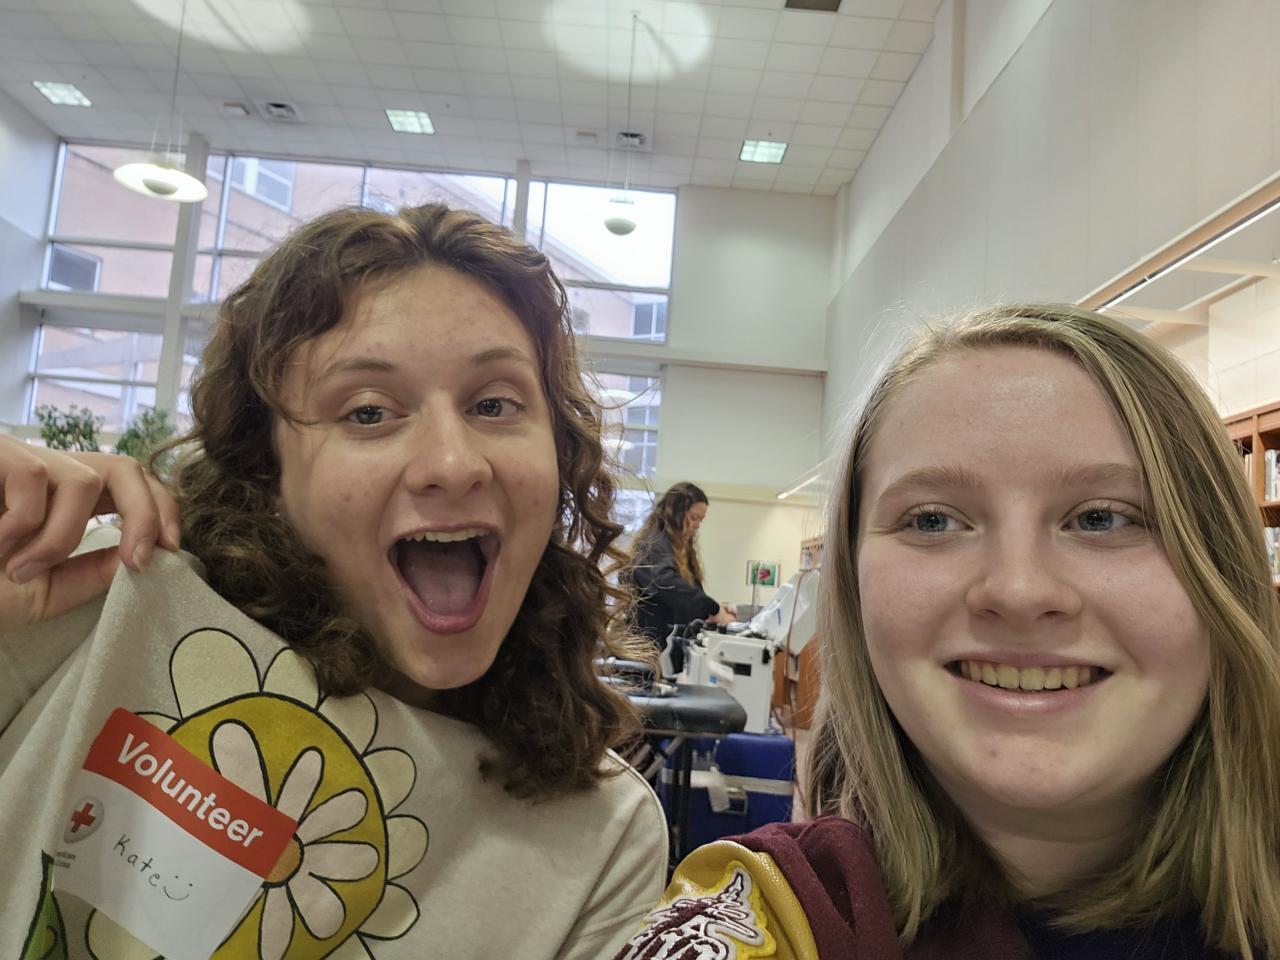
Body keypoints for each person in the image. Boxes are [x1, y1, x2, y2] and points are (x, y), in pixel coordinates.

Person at [0, 203, 668, 959]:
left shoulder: (603, 838)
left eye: (494, 404)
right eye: (369, 412)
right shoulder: (109, 606)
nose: (453, 464)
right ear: (267, 467)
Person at [614, 304, 1280, 959]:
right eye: (933, 520)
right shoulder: (765, 925)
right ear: (852, 585)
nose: (1018, 591)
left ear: (1223, 566)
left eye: (1102, 518)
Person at [628, 482, 736, 659]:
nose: (697, 525)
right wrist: (713, 609)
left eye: (701, 520)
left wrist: (711, 612)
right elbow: (669, 586)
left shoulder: (678, 549)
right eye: (694, 518)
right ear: (675, 513)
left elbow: (688, 593)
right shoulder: (652, 544)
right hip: (647, 648)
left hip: (664, 646)